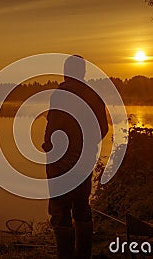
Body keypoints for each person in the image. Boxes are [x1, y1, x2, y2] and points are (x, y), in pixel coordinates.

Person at [42, 55, 108, 259]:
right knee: (82, 207)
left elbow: (53, 129)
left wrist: (47, 145)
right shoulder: (94, 95)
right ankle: (83, 255)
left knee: (60, 213)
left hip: (61, 165)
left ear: (67, 71)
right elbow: (103, 130)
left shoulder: (60, 95)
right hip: (85, 163)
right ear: (83, 73)